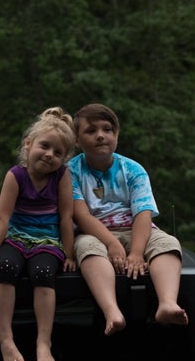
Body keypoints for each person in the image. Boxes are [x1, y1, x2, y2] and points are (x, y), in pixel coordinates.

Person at [0, 107, 77, 361]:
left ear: (64, 159)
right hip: (15, 238)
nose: (50, 155)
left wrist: (70, 254)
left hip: (47, 242)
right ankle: (5, 337)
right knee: (5, 269)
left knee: (42, 273)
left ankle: (43, 341)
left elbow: (65, 217)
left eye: (58, 152)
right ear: (28, 145)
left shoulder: (61, 177)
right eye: (44, 146)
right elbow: (1, 220)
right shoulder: (15, 176)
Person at [68, 102, 187, 335]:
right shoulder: (71, 171)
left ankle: (167, 303)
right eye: (91, 131)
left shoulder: (133, 170)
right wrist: (112, 244)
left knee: (167, 244)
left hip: (137, 230)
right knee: (87, 250)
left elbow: (143, 212)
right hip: (95, 233)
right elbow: (81, 216)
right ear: (76, 140)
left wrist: (136, 252)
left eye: (107, 129)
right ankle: (111, 310)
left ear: (117, 135)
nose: (101, 135)